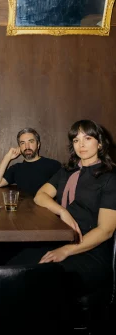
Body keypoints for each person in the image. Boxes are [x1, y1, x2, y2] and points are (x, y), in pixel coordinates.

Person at [9, 119, 116, 295]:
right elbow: (40, 196)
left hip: (89, 249)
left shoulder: (110, 178)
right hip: (58, 238)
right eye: (76, 140)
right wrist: (62, 211)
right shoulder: (67, 171)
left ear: (100, 144)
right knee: (12, 269)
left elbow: (106, 230)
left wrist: (66, 250)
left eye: (87, 138)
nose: (81, 144)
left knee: (35, 282)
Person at [0, 128, 61, 196]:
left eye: (31, 142)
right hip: (23, 207)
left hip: (45, 207)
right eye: (22, 143)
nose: (27, 146)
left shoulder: (54, 165)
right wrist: (7, 157)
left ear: (38, 145)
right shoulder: (16, 169)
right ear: (19, 147)